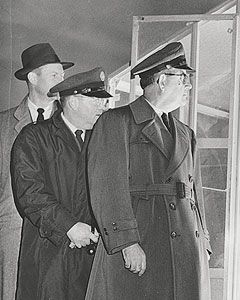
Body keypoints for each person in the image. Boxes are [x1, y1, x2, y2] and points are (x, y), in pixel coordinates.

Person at [85, 42, 212, 300]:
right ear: (163, 80)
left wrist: (204, 242)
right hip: (143, 238)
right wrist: (127, 242)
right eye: (183, 78)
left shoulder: (186, 134)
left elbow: (194, 192)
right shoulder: (116, 122)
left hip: (185, 244)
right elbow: (107, 186)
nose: (188, 85)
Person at [10, 67, 110, 299]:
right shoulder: (33, 137)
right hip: (49, 258)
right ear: (73, 102)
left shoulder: (103, 140)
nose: (102, 107)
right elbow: (30, 193)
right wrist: (69, 226)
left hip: (92, 261)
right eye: (96, 101)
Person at [0, 43, 72, 300]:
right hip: (13, 235)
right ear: (32, 77)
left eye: (62, 76)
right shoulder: (4, 125)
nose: (62, 82)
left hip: (61, 234)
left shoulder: (71, 123)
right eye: (55, 75)